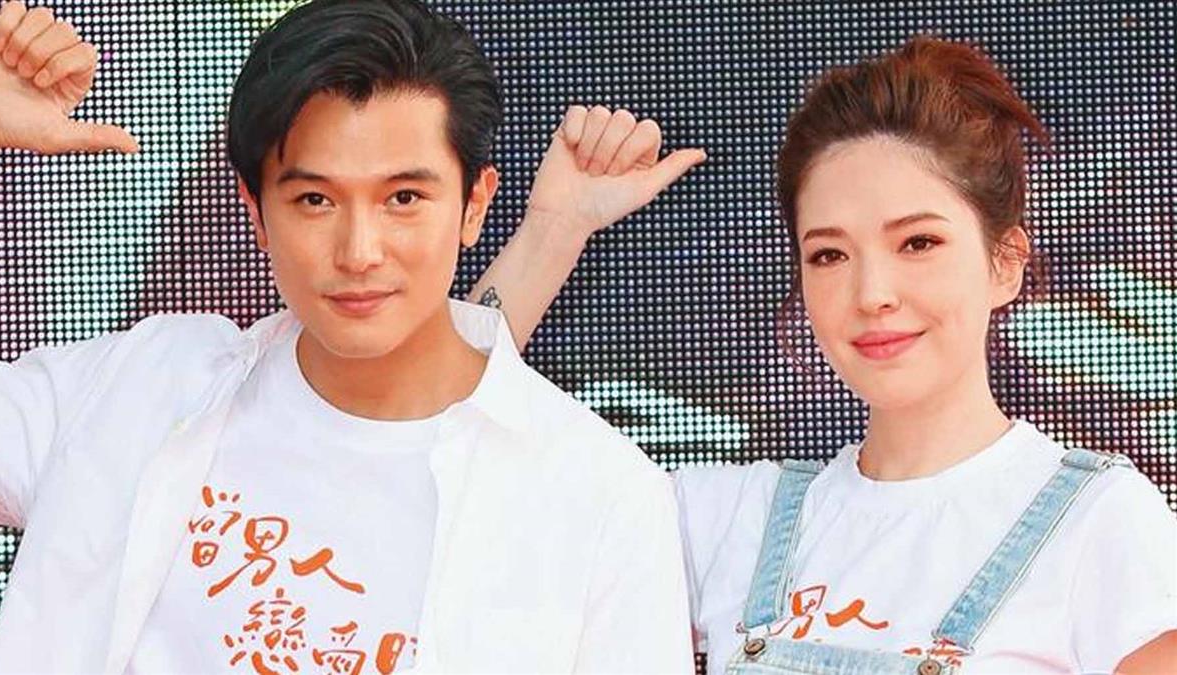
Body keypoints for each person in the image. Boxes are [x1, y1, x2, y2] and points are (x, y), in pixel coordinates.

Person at [0, 1, 707, 672]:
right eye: (315, 200)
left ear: (474, 204)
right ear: (256, 212)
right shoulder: (139, 384)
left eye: (404, 198)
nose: (359, 251)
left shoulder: (601, 498)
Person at [498, 38, 1177, 673]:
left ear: (1005, 263)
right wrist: (554, 230)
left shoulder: (1100, 521)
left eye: (917, 243)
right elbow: (460, 470)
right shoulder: (729, 520)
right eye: (829, 254)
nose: (872, 293)